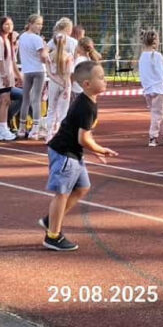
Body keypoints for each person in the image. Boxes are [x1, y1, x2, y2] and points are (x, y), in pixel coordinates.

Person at [38, 60, 118, 251]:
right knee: (62, 193)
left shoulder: (89, 102)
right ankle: (53, 236)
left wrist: (94, 149)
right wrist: (100, 149)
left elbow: (85, 134)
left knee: (82, 187)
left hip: (74, 153)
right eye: (101, 77)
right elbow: (83, 138)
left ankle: (51, 220)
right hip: (64, 153)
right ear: (87, 84)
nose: (105, 80)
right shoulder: (86, 106)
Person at [44, 18, 78, 140]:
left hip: (53, 83)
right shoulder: (69, 56)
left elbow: (48, 71)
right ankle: (60, 135)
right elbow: (69, 72)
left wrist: (55, 80)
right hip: (65, 84)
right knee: (63, 111)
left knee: (51, 109)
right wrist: (65, 84)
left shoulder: (50, 56)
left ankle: (49, 135)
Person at [138, 29, 163, 147]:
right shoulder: (157, 55)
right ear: (155, 41)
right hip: (158, 88)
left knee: (161, 112)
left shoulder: (142, 56)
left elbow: (143, 74)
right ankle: (153, 137)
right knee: (157, 114)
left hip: (148, 89)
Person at [16, 15, 48, 140]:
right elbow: (43, 57)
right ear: (30, 24)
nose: (40, 26)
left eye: (41, 24)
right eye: (38, 24)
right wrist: (45, 48)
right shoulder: (37, 39)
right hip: (38, 70)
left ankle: (22, 128)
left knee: (26, 99)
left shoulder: (22, 36)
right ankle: (35, 129)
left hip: (27, 71)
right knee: (36, 99)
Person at [0, 17, 21, 141]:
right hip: (1, 77)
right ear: (1, 25)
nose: (9, 26)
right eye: (6, 24)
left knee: (6, 101)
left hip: (8, 76)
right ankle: (1, 128)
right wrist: (3, 75)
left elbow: (12, 61)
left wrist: (18, 76)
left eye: (11, 24)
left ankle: (2, 128)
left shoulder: (8, 41)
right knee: (3, 100)